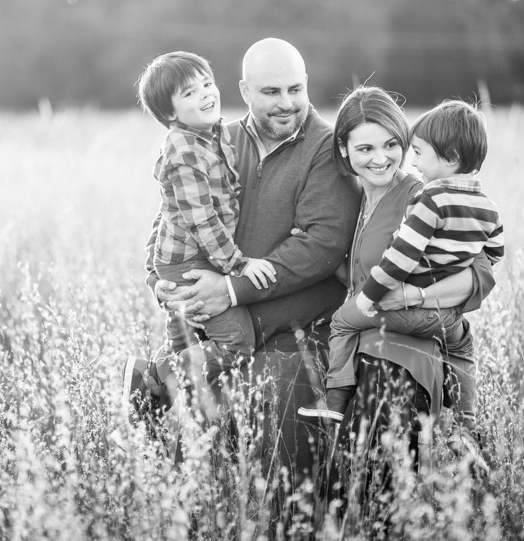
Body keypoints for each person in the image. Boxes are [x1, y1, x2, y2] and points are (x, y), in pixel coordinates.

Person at [137, 38, 363, 535]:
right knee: (194, 428)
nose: (286, 103)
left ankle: (291, 525)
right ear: (244, 90)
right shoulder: (217, 137)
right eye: (271, 91)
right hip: (220, 318)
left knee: (281, 410)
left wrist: (232, 288)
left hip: (295, 321)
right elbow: (172, 212)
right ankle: (195, 520)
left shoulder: (327, 150)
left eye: (296, 89)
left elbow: (323, 245)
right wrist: (160, 282)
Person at [294, 87, 495, 474]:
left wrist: (412, 295)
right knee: (344, 495)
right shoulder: (345, 201)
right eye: (365, 148)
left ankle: (468, 428)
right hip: (362, 354)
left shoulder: (422, 194)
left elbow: (480, 271)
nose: (380, 158)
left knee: (376, 495)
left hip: (402, 363)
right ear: (344, 150)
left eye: (391, 144)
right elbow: (358, 273)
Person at [122, 51, 278, 421]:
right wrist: (238, 266)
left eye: (207, 83)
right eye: (190, 93)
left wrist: (156, 273)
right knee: (237, 344)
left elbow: (168, 212)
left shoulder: (211, 134)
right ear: (171, 114)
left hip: (182, 260)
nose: (206, 94)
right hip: (193, 262)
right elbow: (200, 220)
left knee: (184, 344)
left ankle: (146, 414)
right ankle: (157, 378)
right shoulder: (185, 149)